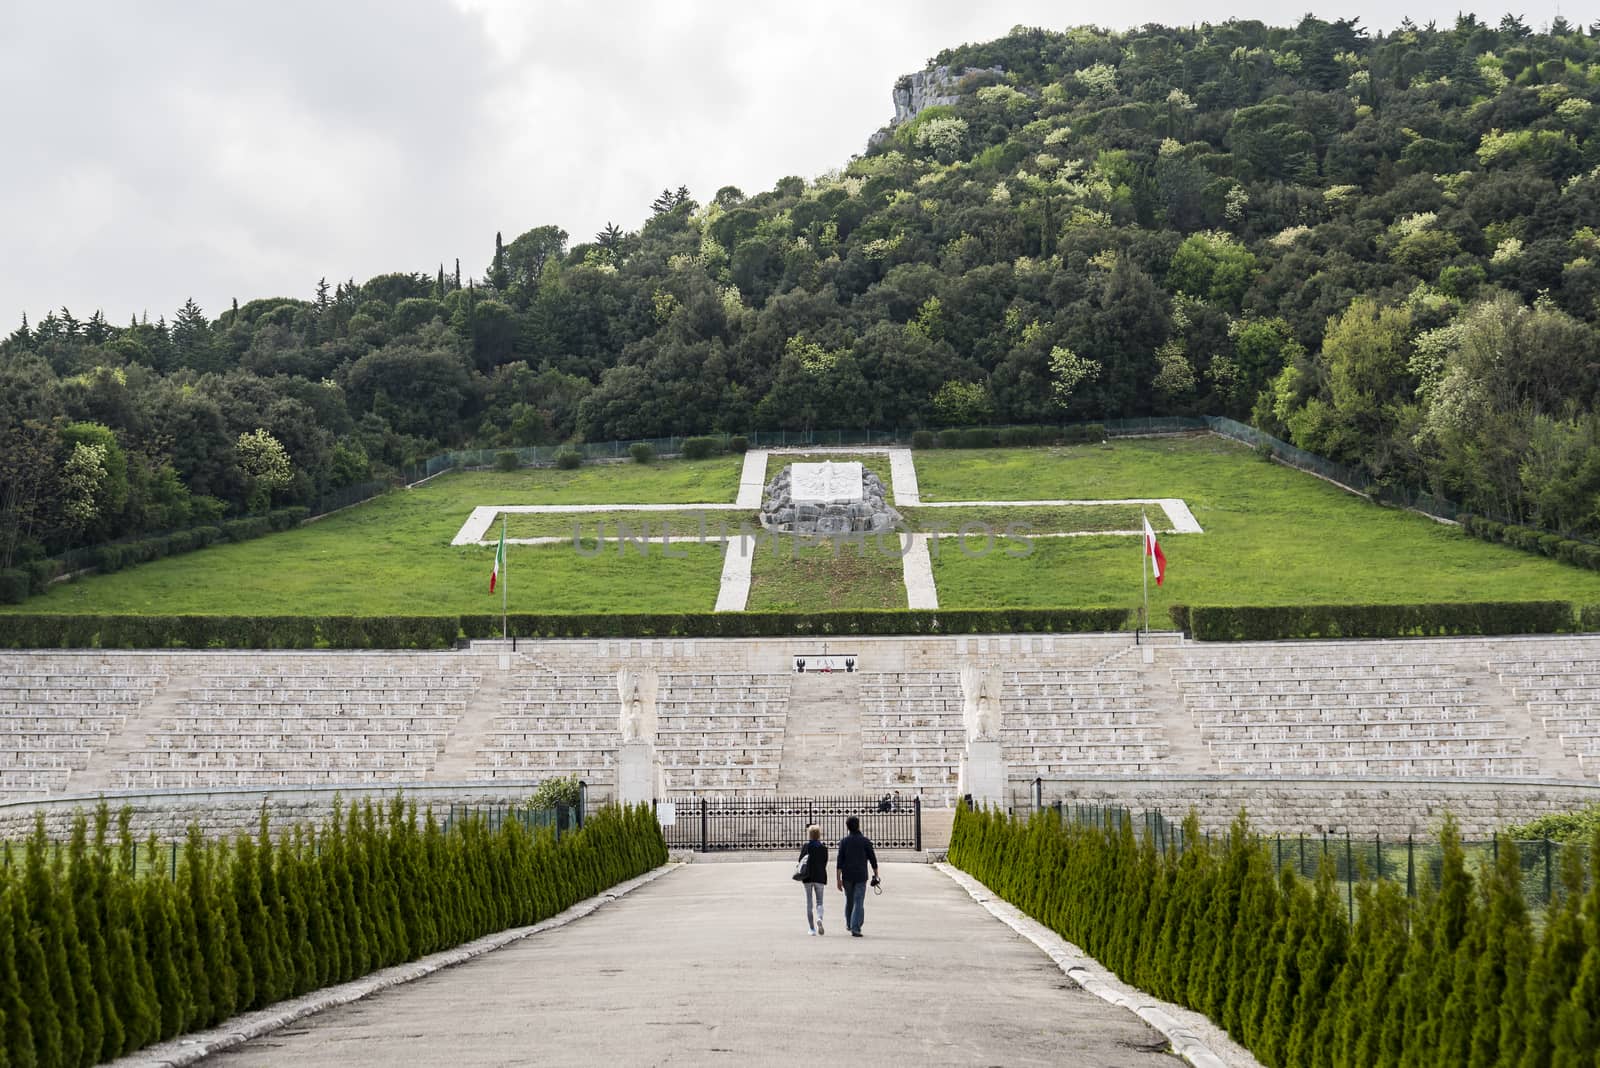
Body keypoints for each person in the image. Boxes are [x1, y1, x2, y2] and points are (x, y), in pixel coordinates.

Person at [835, 815, 879, 937]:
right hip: (861, 875)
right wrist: (876, 874)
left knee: (849, 901)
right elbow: (873, 859)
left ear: (847, 827)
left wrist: (838, 879)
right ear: (858, 825)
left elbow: (839, 862)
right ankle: (855, 927)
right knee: (858, 901)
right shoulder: (865, 841)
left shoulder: (844, 842)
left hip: (847, 876)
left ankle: (850, 923)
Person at [798, 824, 828, 935]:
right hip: (820, 876)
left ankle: (812, 929)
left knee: (809, 903)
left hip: (807, 877)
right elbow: (825, 862)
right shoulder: (824, 848)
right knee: (820, 902)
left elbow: (800, 860)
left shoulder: (806, 846)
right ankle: (819, 918)